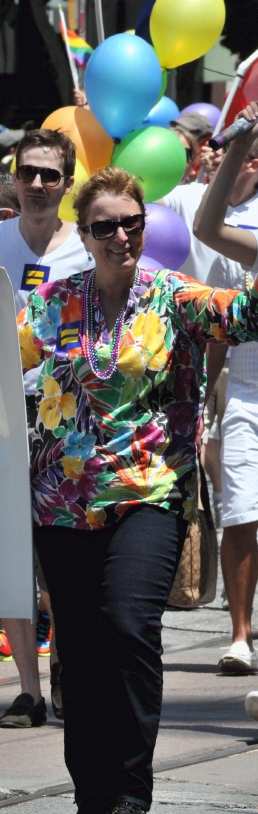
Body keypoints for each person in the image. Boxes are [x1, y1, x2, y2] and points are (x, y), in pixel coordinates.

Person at [0, 163, 258, 814]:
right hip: (60, 506)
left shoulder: (176, 298)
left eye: (130, 224)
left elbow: (248, 313)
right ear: (85, 234)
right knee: (77, 653)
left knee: (129, 626)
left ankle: (131, 797)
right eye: (104, 226)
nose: (119, 236)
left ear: (144, 226)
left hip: (150, 495)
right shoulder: (52, 303)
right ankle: (92, 796)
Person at [0, 128, 93, 727]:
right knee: (9, 558)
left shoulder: (88, 246)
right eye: (29, 173)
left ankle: (67, 666)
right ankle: (29, 690)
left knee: (64, 556)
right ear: (14, 178)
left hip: (68, 423)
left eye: (50, 175)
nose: (38, 185)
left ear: (68, 184)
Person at [193, 101, 258, 676]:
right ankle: (240, 633)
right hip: (247, 390)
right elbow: (206, 229)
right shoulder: (253, 231)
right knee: (239, 510)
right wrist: (237, 145)